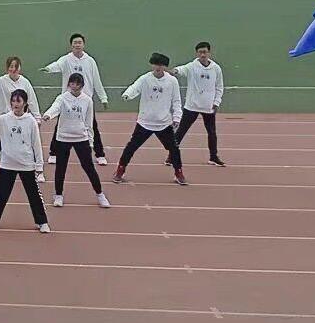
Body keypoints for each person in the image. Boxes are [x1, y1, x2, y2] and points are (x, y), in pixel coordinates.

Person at [0, 90, 50, 234]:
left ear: (25, 103)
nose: (15, 104)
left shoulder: (30, 121)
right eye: (13, 101)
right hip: (8, 164)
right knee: (0, 193)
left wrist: (39, 165)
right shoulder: (4, 119)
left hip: (26, 164)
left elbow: (36, 144)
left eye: (18, 101)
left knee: (34, 194)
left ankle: (42, 222)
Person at [113, 53, 188, 186]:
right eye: (155, 65)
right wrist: (127, 94)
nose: (158, 67)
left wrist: (177, 117)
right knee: (131, 147)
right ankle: (120, 170)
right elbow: (135, 87)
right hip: (145, 122)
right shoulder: (145, 79)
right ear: (152, 65)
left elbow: (176, 101)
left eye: (161, 65)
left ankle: (179, 172)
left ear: (165, 67)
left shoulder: (172, 81)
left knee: (174, 149)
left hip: (163, 123)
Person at [42, 74, 111, 209]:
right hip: (63, 138)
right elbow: (55, 107)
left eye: (77, 84)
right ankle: (58, 195)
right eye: (72, 83)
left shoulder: (87, 100)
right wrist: (48, 115)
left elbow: (89, 123)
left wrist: (90, 142)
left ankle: (100, 194)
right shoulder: (62, 98)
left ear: (82, 85)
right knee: (60, 168)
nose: (74, 86)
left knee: (89, 168)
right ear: (69, 84)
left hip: (81, 138)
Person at [41, 34, 110, 166]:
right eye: (75, 43)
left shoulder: (90, 61)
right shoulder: (66, 59)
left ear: (83, 44)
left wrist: (103, 98)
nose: (77, 45)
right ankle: (53, 153)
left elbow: (96, 80)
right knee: (60, 125)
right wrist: (49, 69)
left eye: (79, 42)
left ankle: (100, 154)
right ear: (71, 45)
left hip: (85, 100)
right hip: (68, 99)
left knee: (92, 126)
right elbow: (57, 65)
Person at [0, 57, 41, 182]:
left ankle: (36, 170)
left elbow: (32, 100)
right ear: (7, 68)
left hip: (21, 120)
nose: (13, 69)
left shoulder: (25, 82)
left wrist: (37, 117)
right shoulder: (2, 81)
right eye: (11, 66)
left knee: (27, 144)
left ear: (20, 68)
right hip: (5, 121)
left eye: (16, 66)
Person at [171, 42, 225, 167]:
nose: (202, 55)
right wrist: (174, 71)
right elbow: (181, 70)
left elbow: (219, 87)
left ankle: (213, 157)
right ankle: (171, 156)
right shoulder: (192, 66)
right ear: (197, 53)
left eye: (205, 52)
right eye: (200, 52)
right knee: (181, 131)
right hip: (192, 106)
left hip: (208, 107)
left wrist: (216, 102)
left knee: (212, 133)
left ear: (209, 53)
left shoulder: (216, 68)